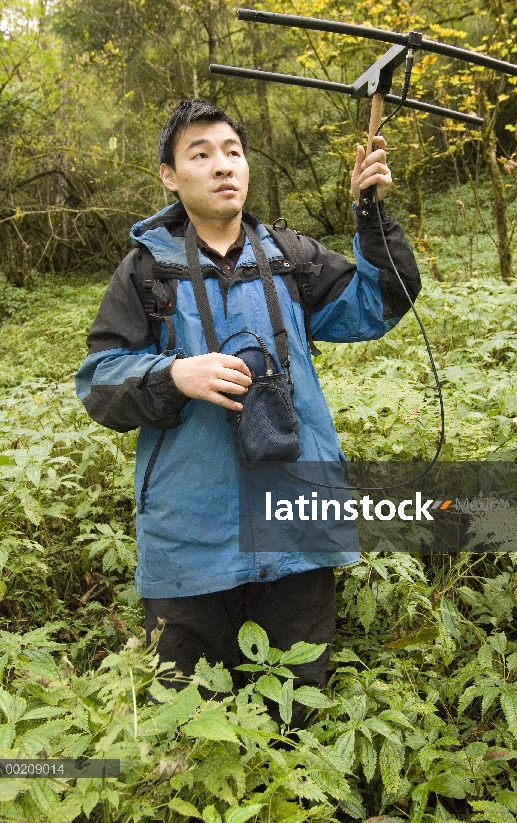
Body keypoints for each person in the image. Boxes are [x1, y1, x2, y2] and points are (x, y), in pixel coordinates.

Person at [75, 99, 421, 719]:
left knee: (297, 712)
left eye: (232, 151)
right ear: (169, 175)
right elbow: (98, 383)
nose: (221, 166)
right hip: (191, 537)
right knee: (193, 724)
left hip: (297, 524)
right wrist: (174, 372)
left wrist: (370, 214)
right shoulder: (147, 272)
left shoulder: (290, 258)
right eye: (200, 154)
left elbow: (379, 302)